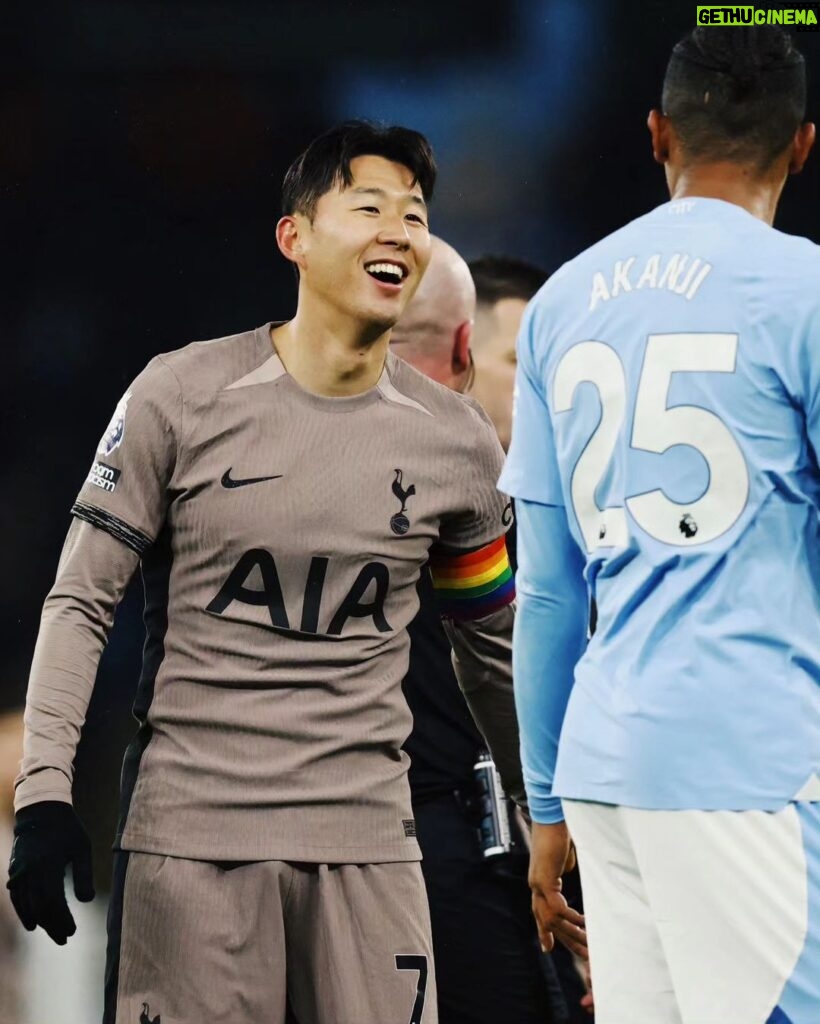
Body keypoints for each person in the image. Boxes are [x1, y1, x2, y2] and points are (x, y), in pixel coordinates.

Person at [8, 121, 524, 1024]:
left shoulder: (456, 444)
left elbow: (495, 653)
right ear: (295, 237)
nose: (398, 230)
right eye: (368, 207)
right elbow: (83, 599)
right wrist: (45, 792)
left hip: (372, 851)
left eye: (414, 213)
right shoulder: (178, 396)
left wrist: (542, 817)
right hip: (193, 848)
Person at [500, 25, 819, 1024]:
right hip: (752, 765)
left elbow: (547, 590)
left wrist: (546, 803)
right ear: (801, 145)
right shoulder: (800, 289)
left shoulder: (560, 303)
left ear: (656, 137)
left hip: (607, 764)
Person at [391, 239, 556, 1024]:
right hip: (428, 851)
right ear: (462, 352)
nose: (548, 389)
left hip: (539, 845)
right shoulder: (392, 494)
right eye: (523, 361)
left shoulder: (569, 525)